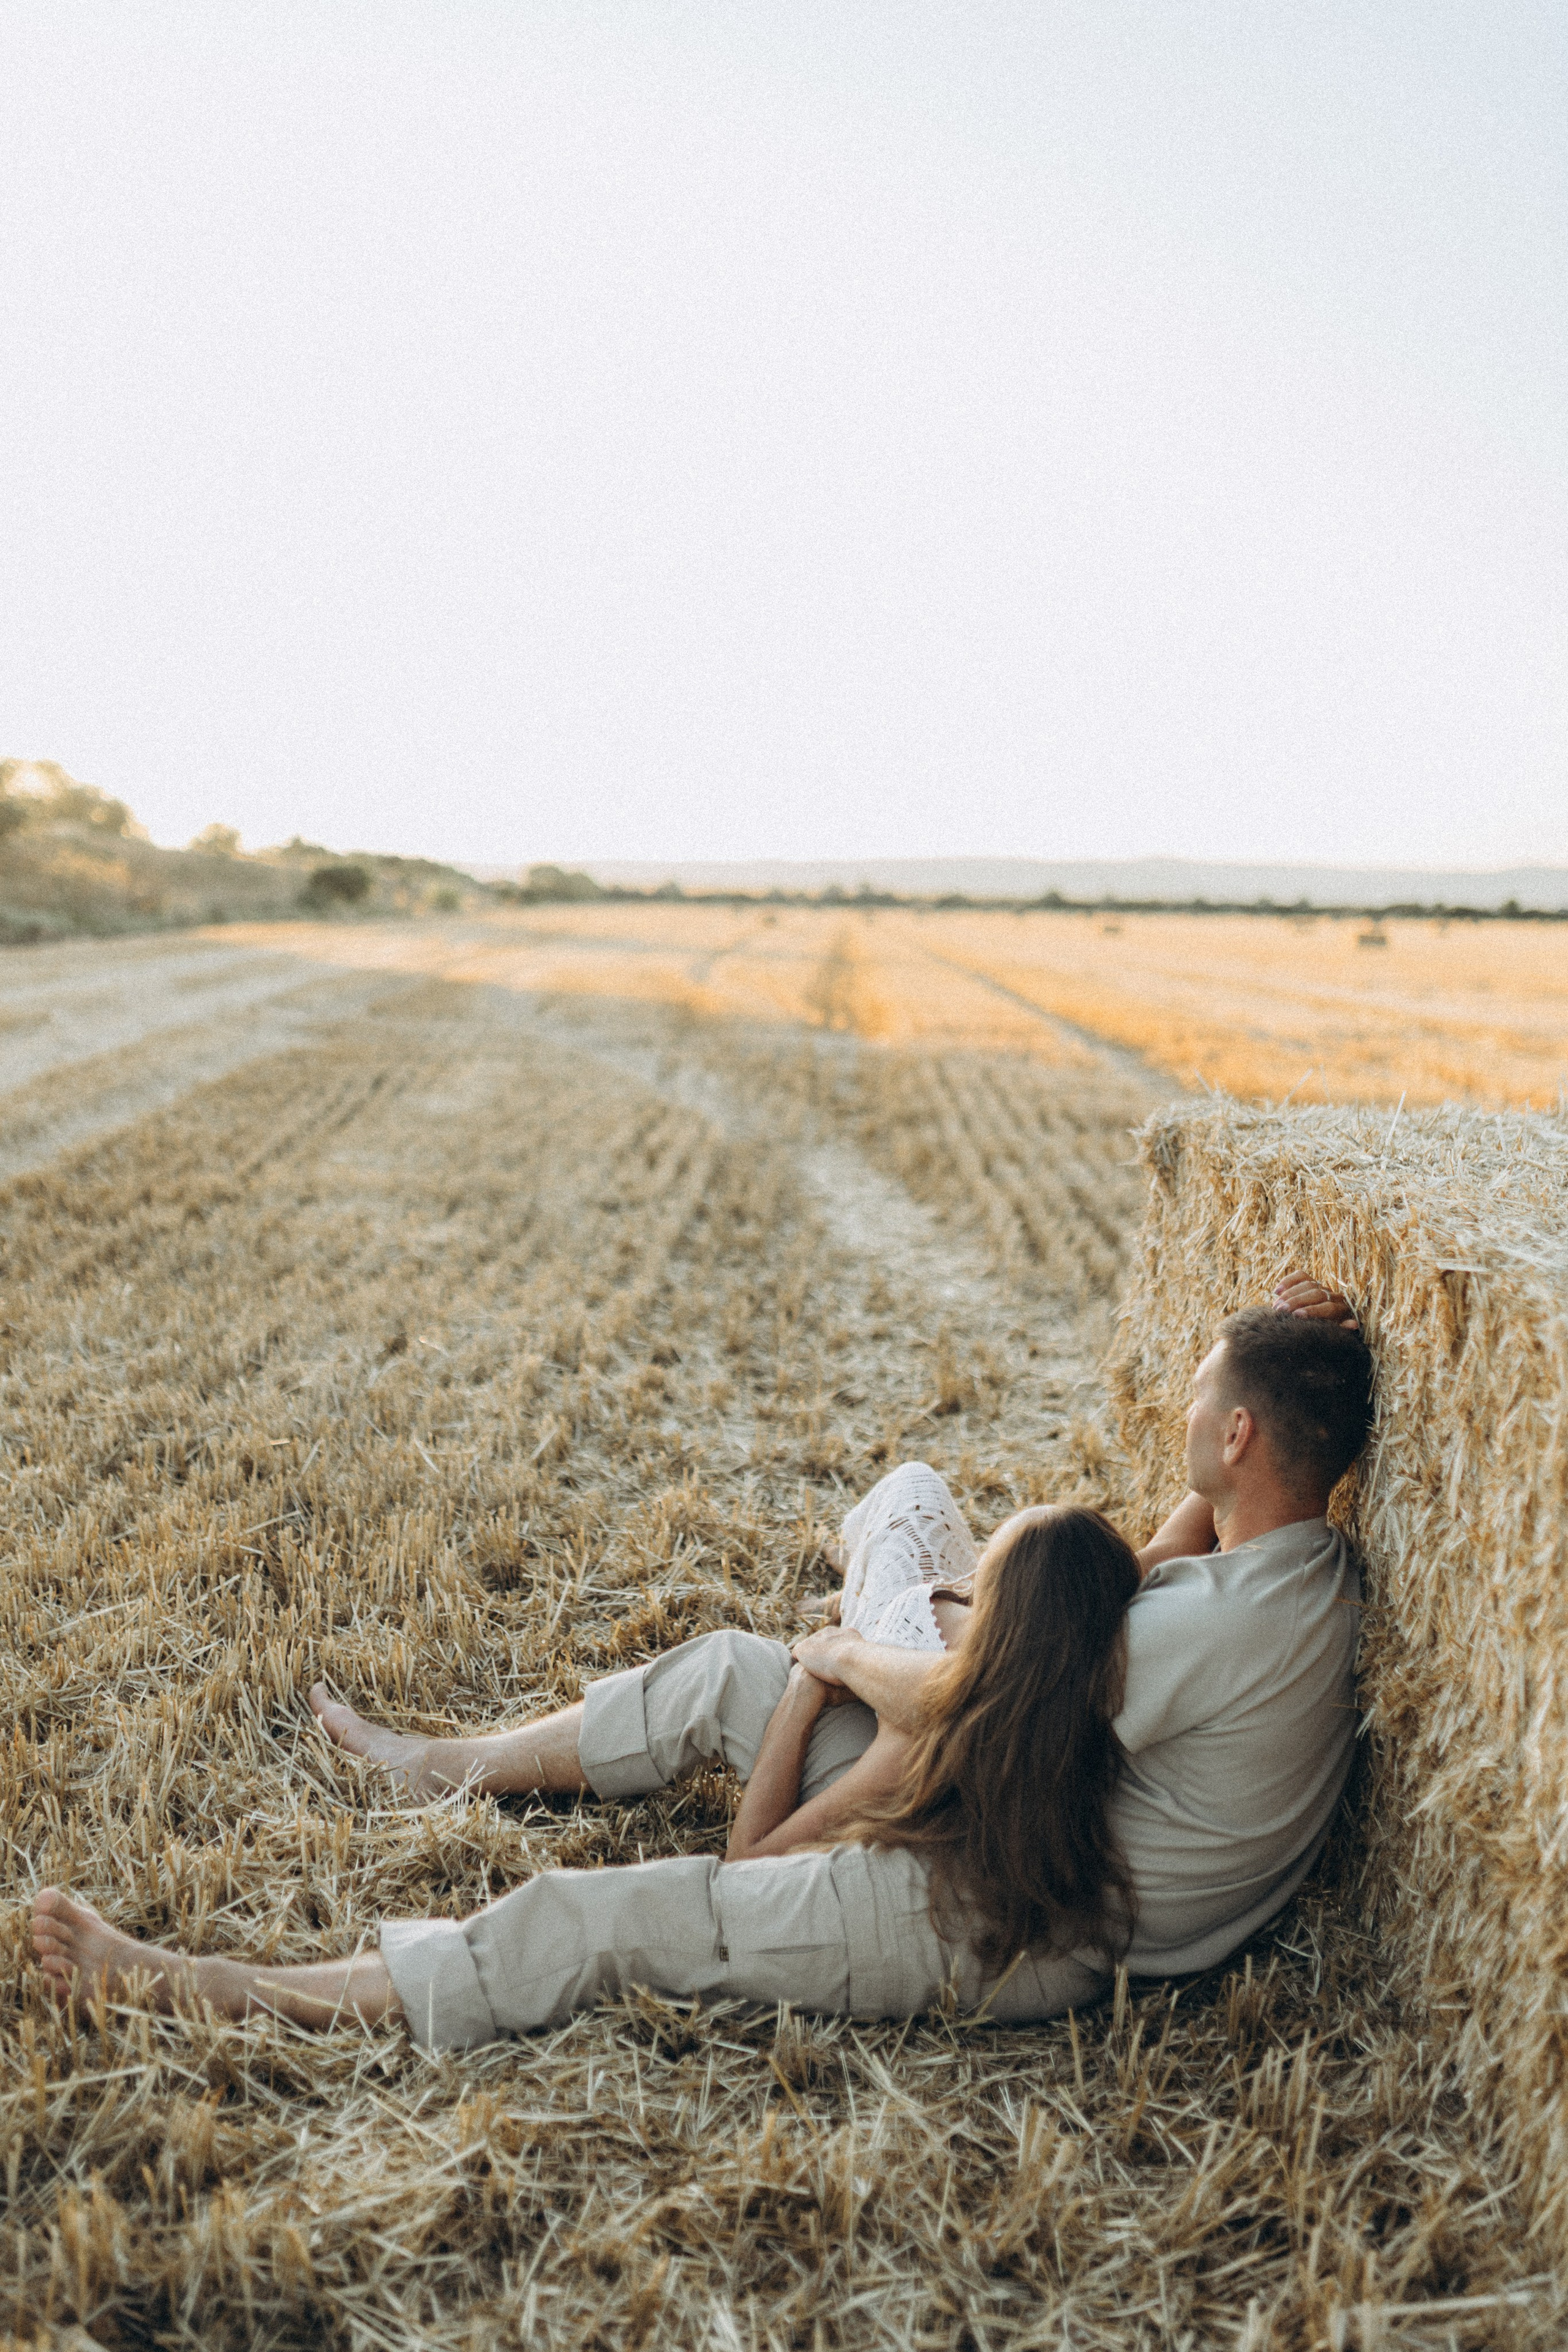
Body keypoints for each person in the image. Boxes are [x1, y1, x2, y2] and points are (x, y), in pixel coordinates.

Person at [31, 1270, 1373, 2048]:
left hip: (1019, 1919)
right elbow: (1159, 1549)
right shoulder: (1287, 1567)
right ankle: (446, 1768)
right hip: (1035, 1816)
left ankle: (219, 1987)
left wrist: (847, 1651)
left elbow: (970, 1696)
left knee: (622, 1915)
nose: (1182, 1410)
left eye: (1202, 1395)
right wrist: (1274, 1329)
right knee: (735, 1669)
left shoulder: (1207, 1632)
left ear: (1242, 1432)